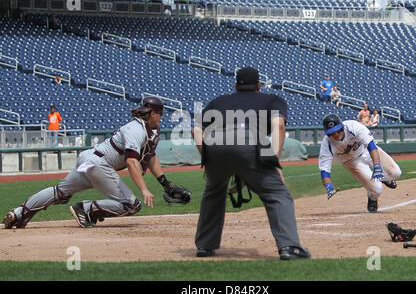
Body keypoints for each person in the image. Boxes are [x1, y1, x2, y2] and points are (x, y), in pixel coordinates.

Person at [3, 97, 188, 229]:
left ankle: (19, 213)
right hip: (98, 164)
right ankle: (85, 209)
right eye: (161, 114)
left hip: (89, 160)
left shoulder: (149, 131)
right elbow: (132, 161)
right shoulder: (136, 130)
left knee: (61, 191)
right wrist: (144, 189)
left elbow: (151, 157)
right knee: (131, 204)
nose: (162, 117)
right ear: (152, 113)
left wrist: (166, 184)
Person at [192, 67, 310, 260]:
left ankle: (205, 246)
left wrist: (207, 157)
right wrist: (274, 162)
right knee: (276, 193)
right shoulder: (273, 99)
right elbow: (279, 125)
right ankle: (289, 247)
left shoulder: (218, 101)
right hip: (250, 139)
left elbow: (196, 130)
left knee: (213, 191)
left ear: (236, 85)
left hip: (214, 144)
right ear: (259, 86)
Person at [318, 114, 401, 213]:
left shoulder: (353, 127)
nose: (335, 135)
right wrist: (328, 185)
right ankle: (372, 198)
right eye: (331, 133)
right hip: (351, 162)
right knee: (377, 189)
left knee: (395, 173)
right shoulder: (327, 144)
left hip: (366, 150)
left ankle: (384, 179)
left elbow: (371, 146)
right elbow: (324, 169)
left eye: (338, 130)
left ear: (342, 127)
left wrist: (377, 166)